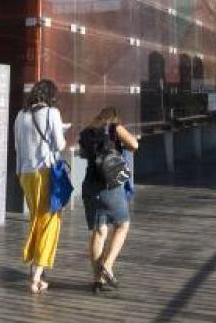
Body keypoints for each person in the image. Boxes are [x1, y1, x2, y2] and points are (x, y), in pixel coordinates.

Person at [13, 80, 67, 294]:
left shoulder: (20, 116)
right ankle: (36, 275)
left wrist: (19, 174)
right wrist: (62, 131)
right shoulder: (52, 113)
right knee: (50, 221)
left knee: (36, 220)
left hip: (25, 174)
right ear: (50, 95)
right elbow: (61, 145)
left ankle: (36, 267)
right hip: (45, 173)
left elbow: (17, 147)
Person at [78, 107, 139, 295]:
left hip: (90, 186)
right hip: (110, 186)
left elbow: (82, 154)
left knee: (99, 231)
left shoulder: (87, 131)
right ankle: (108, 264)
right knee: (122, 225)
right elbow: (134, 145)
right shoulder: (114, 128)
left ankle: (98, 280)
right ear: (114, 117)